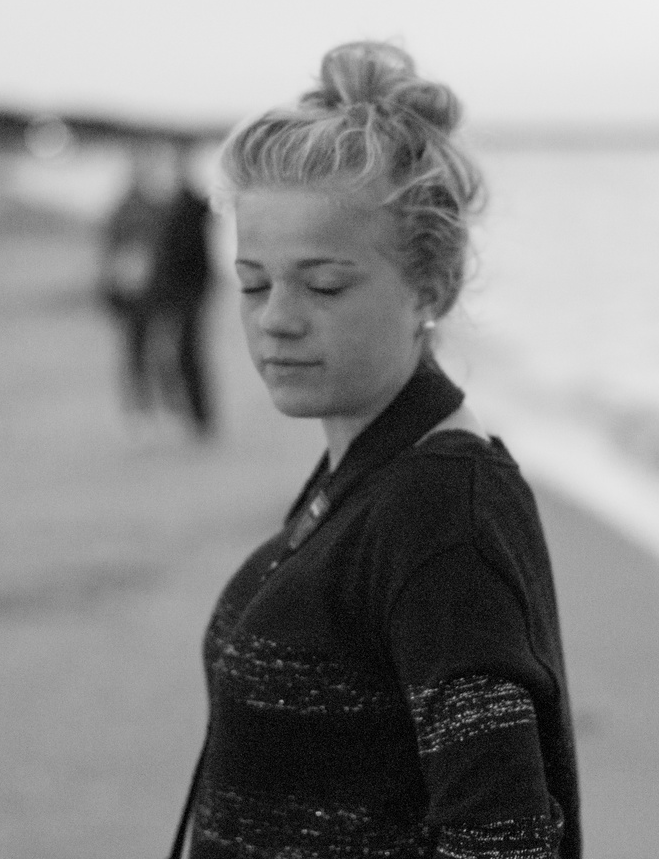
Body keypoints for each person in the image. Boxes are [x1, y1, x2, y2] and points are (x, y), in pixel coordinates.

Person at [171, 42, 581, 858]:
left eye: (322, 284)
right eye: (253, 283)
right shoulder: (366, 475)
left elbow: (501, 842)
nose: (275, 319)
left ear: (432, 287)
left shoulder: (441, 514)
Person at [98, 146, 174, 431]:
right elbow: (111, 252)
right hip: (136, 293)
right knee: (142, 352)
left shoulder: (143, 208)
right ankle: (146, 408)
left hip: (146, 292)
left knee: (145, 352)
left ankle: (149, 408)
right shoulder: (143, 209)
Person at [147, 142, 216, 440]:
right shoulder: (172, 205)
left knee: (188, 353)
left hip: (189, 291)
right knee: (178, 354)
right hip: (177, 291)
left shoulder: (189, 204)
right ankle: (192, 414)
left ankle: (199, 417)